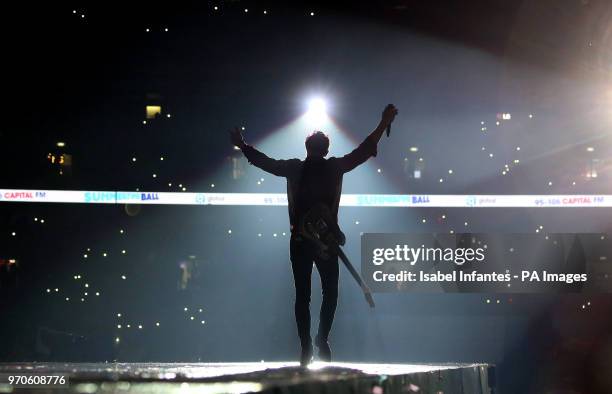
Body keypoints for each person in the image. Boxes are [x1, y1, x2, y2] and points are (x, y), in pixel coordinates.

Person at [229, 104, 398, 366]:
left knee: (303, 295)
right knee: (329, 292)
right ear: (326, 149)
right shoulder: (334, 167)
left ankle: (307, 344)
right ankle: (320, 339)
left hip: (303, 241)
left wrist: (243, 146)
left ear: (308, 148)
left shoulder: (295, 168)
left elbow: (266, 163)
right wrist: (383, 121)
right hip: (326, 242)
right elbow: (364, 149)